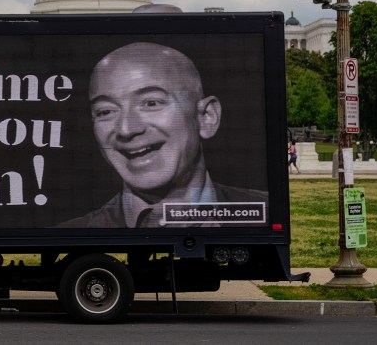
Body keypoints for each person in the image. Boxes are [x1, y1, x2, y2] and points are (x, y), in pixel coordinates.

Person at [61, 42, 267, 228]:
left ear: (206, 117)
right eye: (105, 111)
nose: (126, 129)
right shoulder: (73, 233)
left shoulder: (268, 211)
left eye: (151, 103)